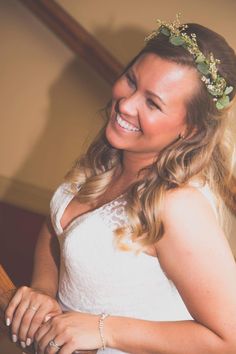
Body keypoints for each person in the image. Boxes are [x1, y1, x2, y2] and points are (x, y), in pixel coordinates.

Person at [4, 14, 236, 354]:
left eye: (153, 103)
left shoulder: (178, 206)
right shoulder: (107, 158)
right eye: (131, 80)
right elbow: (57, 228)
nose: (125, 105)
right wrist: (43, 289)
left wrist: (105, 330)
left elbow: (229, 338)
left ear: (192, 130)